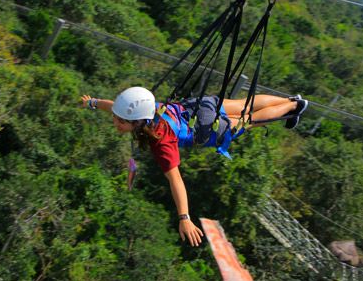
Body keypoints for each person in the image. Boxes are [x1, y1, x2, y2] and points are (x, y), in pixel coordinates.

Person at [81, 87, 308, 247]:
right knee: (242, 104)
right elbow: (114, 107)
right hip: (197, 107)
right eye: (117, 119)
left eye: (121, 122)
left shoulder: (160, 141)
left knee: (249, 119)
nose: (116, 124)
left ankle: (294, 107)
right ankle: (290, 100)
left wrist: (184, 217)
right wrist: (92, 102)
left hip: (207, 128)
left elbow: (176, 180)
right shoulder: (149, 109)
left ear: (138, 122)